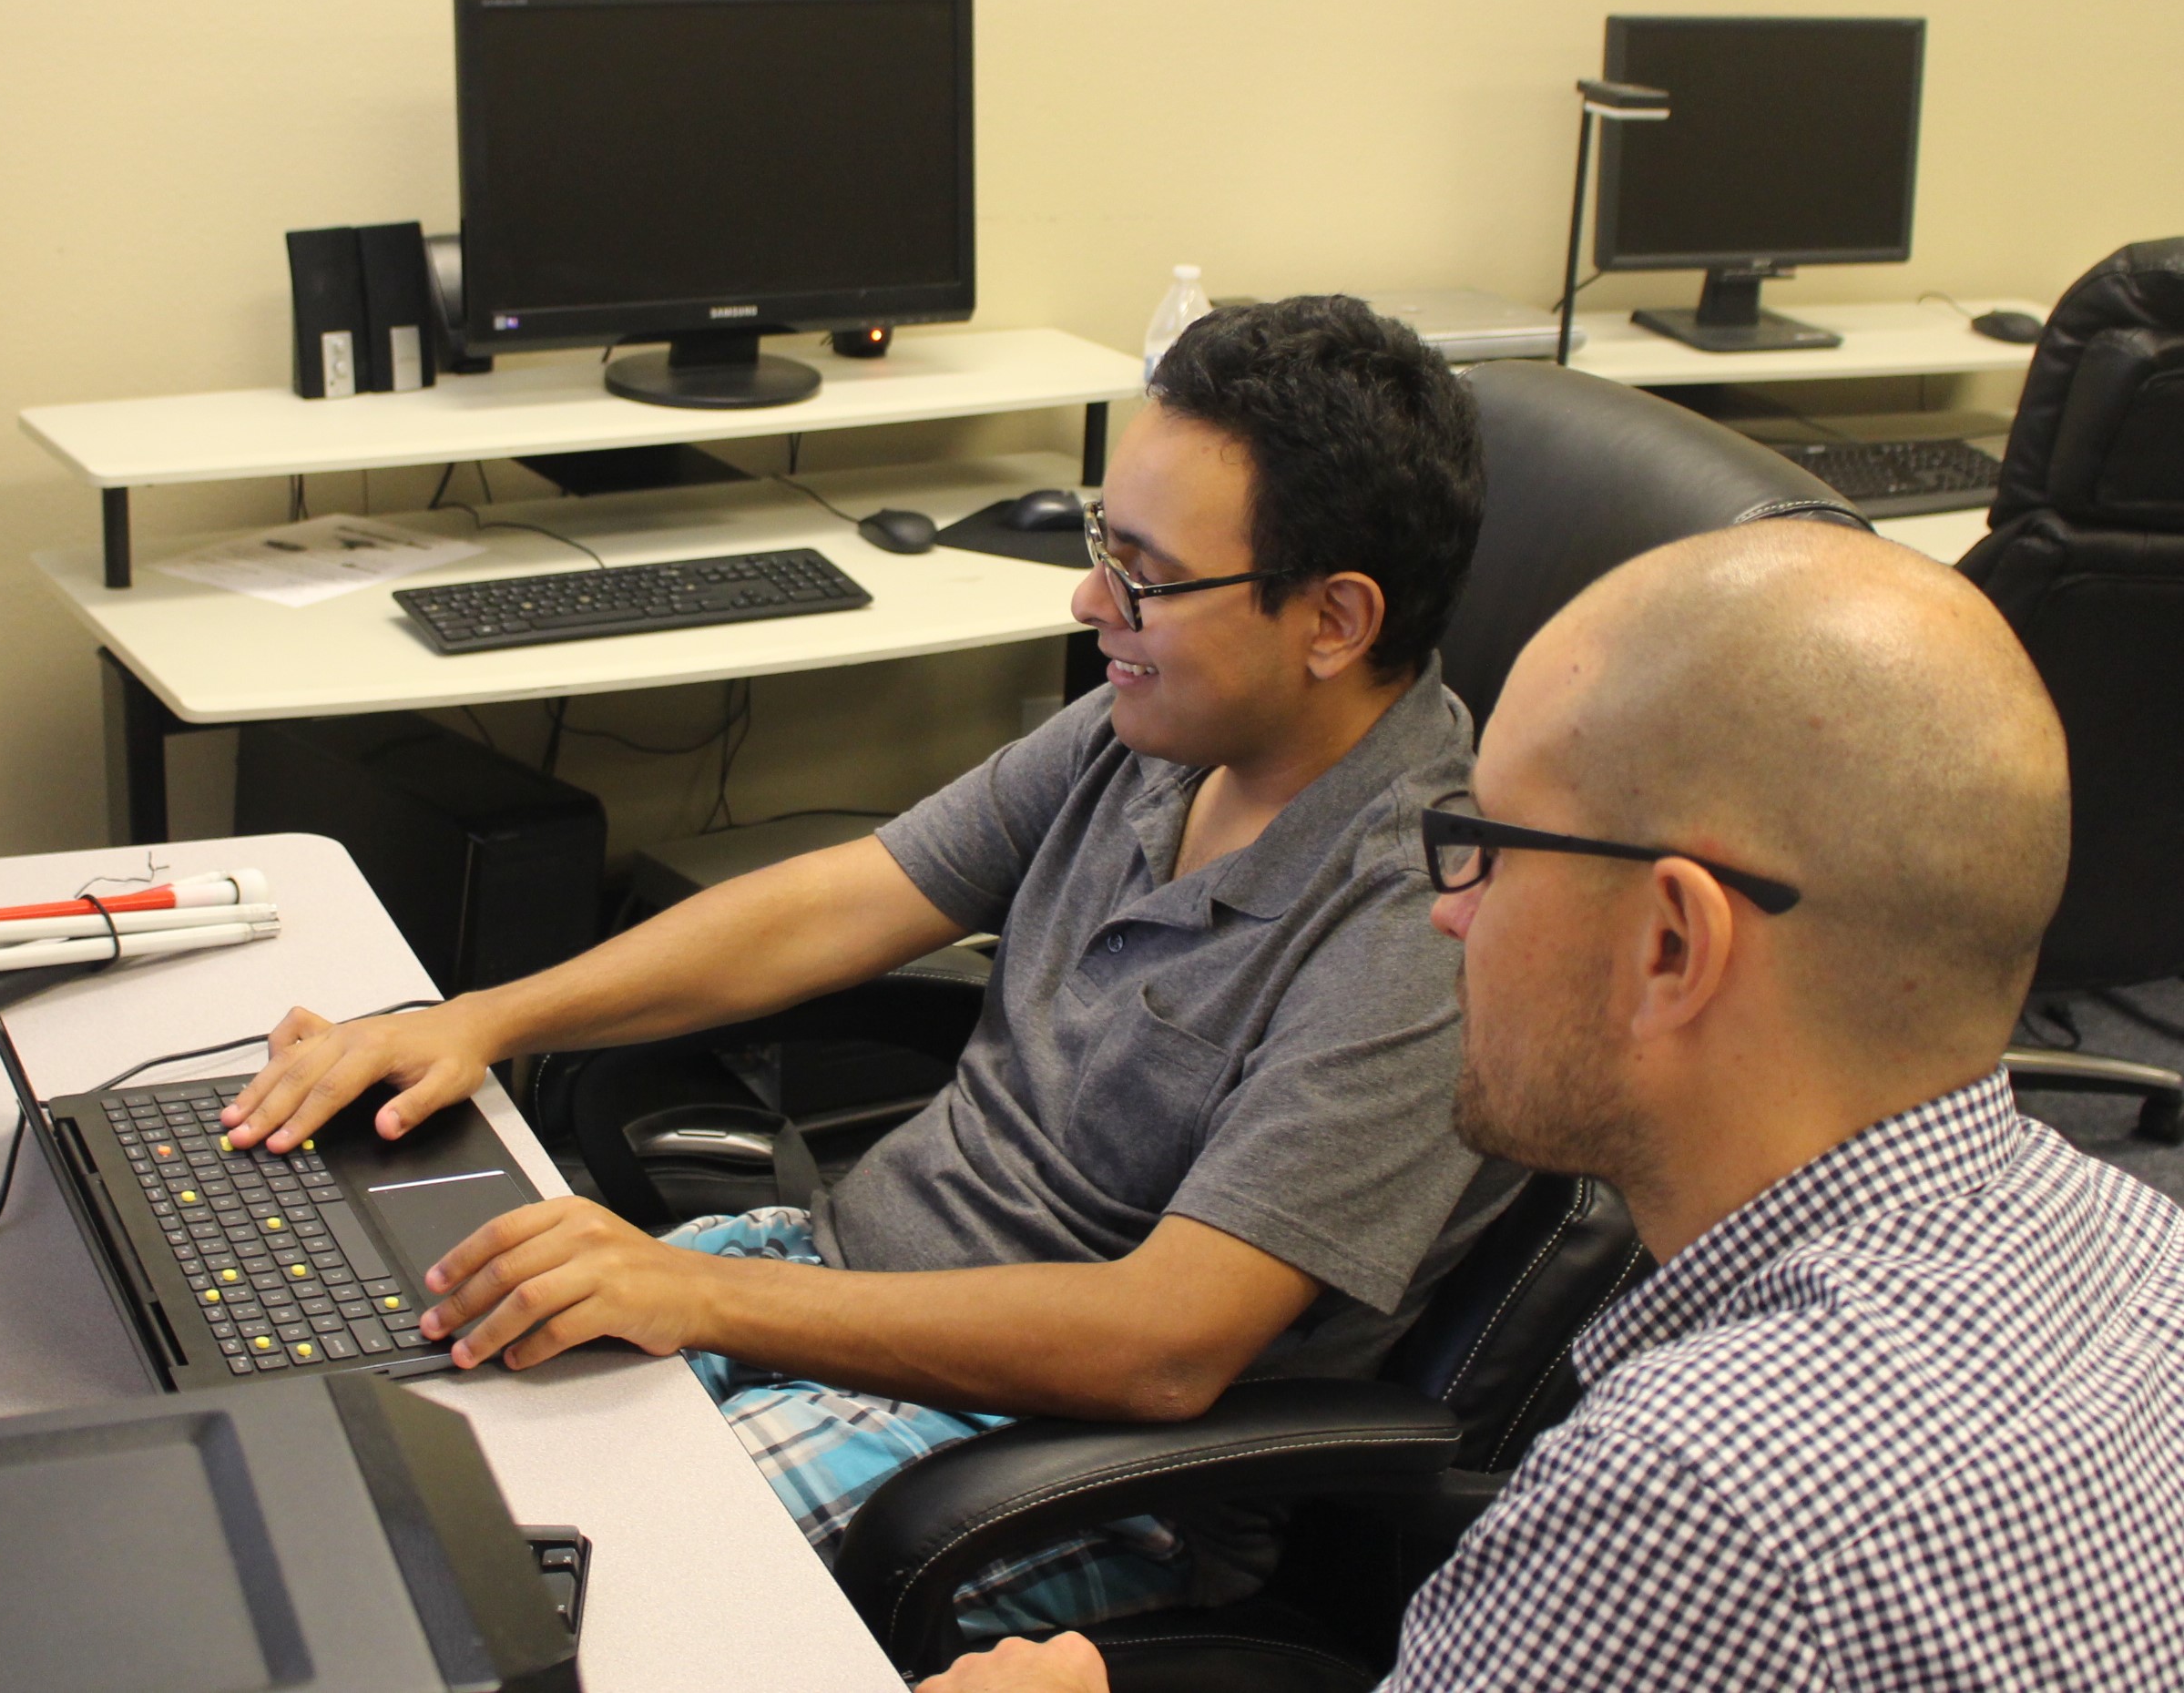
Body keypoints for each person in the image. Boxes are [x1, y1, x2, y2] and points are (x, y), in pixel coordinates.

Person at [222, 295, 1518, 1634]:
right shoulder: (1155, 731)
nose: (1089, 602)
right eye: (1097, 544)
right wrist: (483, 1021)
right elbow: (844, 900)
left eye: (1142, 573)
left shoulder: (1420, 924)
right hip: (830, 1278)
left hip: (1053, 1467)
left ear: (1334, 620)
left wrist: (699, 1293)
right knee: (359, 1433)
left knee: (494, 1610)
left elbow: (1169, 1343)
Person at [922, 519, 2184, 1690]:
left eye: (1490, 846)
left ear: (1673, 948)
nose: (1447, 907)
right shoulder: (2151, 1256)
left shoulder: (1697, 1498)